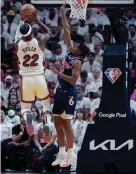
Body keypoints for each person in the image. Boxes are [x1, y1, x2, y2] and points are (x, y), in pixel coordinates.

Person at [50, 4, 91, 168]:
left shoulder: (78, 62)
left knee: (66, 124)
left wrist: (57, 73)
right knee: (57, 123)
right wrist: (63, 13)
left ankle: (70, 154)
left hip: (69, 93)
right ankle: (61, 154)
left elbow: (74, 81)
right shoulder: (69, 51)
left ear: (79, 52)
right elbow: (66, 30)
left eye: (76, 47)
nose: (72, 46)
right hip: (60, 91)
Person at [14, 15, 52, 135]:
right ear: (31, 32)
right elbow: (49, 33)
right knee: (46, 106)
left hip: (26, 79)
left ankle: (29, 119)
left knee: (25, 108)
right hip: (39, 77)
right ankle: (45, 122)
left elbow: (16, 37)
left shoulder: (18, 44)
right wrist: (39, 21)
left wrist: (21, 21)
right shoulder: (39, 42)